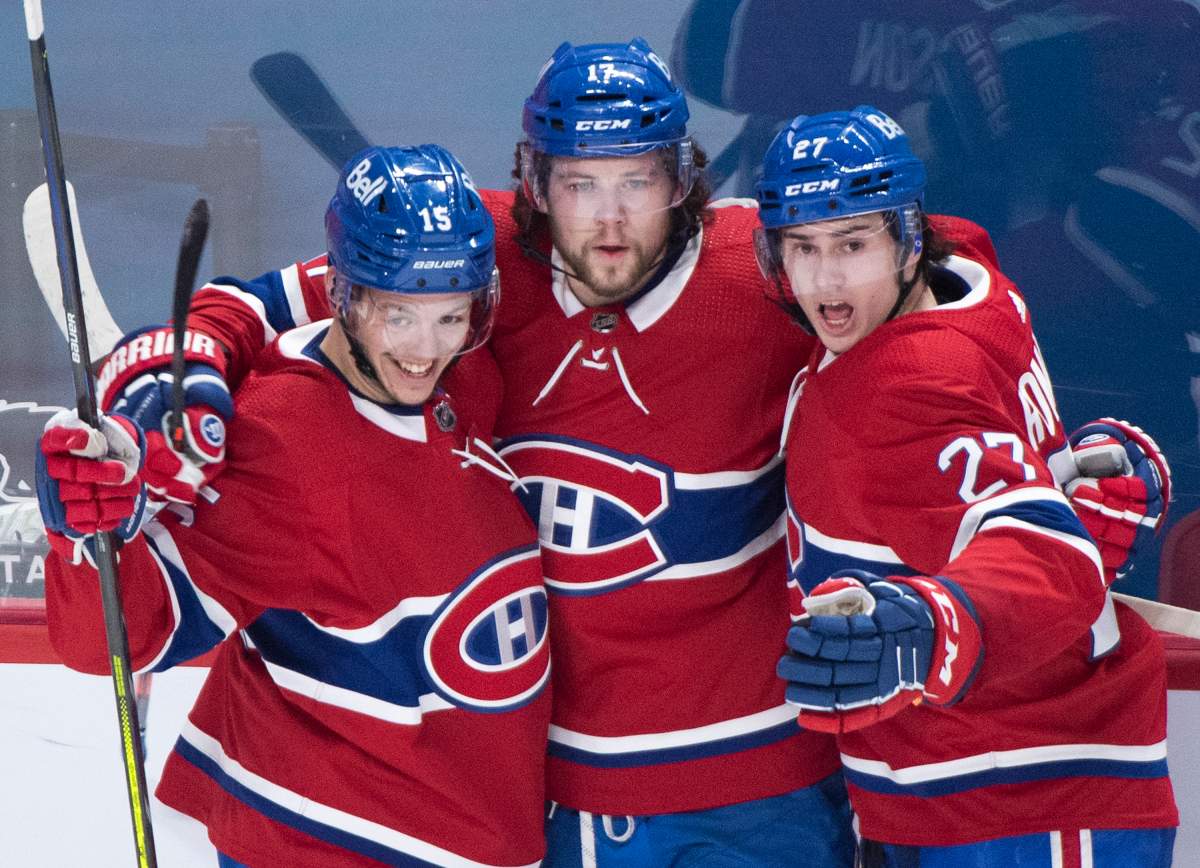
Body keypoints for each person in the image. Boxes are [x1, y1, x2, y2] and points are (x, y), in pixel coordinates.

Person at [95, 38, 1159, 867]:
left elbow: (941, 301)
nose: (608, 221)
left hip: (762, 798)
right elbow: (265, 306)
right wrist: (170, 374)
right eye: (579, 183)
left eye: (639, 182)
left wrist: (1055, 463)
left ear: (684, 180)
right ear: (535, 181)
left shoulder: (778, 269)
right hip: (552, 799)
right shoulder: (477, 266)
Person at [36, 144, 551, 868]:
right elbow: (114, 641)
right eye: (399, 316)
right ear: (342, 294)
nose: (426, 349)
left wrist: (209, 333)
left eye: (451, 317)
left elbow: (256, 301)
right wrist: (86, 528)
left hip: (457, 829)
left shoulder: (462, 379)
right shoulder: (282, 445)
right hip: (333, 839)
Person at [756, 106, 1178, 866]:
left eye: (852, 245)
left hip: (1024, 797)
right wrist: (1076, 468)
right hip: (964, 794)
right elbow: (1012, 480)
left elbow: (1049, 553)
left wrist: (931, 623)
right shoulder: (974, 276)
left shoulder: (905, 383)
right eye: (801, 247)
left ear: (909, 239)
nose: (824, 279)